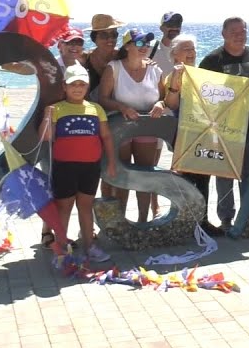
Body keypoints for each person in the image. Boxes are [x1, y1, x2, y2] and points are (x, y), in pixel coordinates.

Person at [195, 17, 249, 233]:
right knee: (224, 174)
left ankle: (247, 216)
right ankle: (226, 218)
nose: (239, 34)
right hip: (223, 127)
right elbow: (203, 91)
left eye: (243, 30)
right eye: (234, 31)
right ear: (223, 34)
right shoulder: (213, 59)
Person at [43, 64, 115, 262]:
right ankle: (62, 248)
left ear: (87, 86)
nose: (77, 88)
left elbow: (106, 137)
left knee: (86, 205)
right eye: (73, 84)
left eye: (82, 84)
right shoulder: (57, 109)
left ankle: (90, 245)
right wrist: (47, 116)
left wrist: (111, 163)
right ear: (64, 87)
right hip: (64, 167)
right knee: (64, 207)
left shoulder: (96, 109)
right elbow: (47, 136)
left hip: (90, 167)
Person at [99, 27, 168, 223]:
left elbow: (165, 99)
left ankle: (143, 221)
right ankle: (121, 222)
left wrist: (160, 104)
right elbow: (103, 99)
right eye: (139, 43)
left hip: (147, 128)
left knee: (145, 175)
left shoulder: (155, 70)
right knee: (123, 176)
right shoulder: (114, 68)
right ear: (127, 46)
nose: (144, 47)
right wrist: (121, 107)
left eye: (147, 43)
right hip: (121, 128)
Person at [40, 28, 90, 250]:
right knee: (52, 183)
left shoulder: (82, 68)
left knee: (70, 188)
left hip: (73, 136)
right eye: (69, 43)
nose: (74, 47)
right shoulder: (50, 66)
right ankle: (47, 231)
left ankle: (71, 232)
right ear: (59, 45)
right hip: (50, 131)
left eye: (78, 43)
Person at [80, 14, 124, 105]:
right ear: (94, 38)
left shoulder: (123, 56)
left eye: (114, 34)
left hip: (119, 111)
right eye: (104, 35)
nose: (110, 39)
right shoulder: (85, 59)